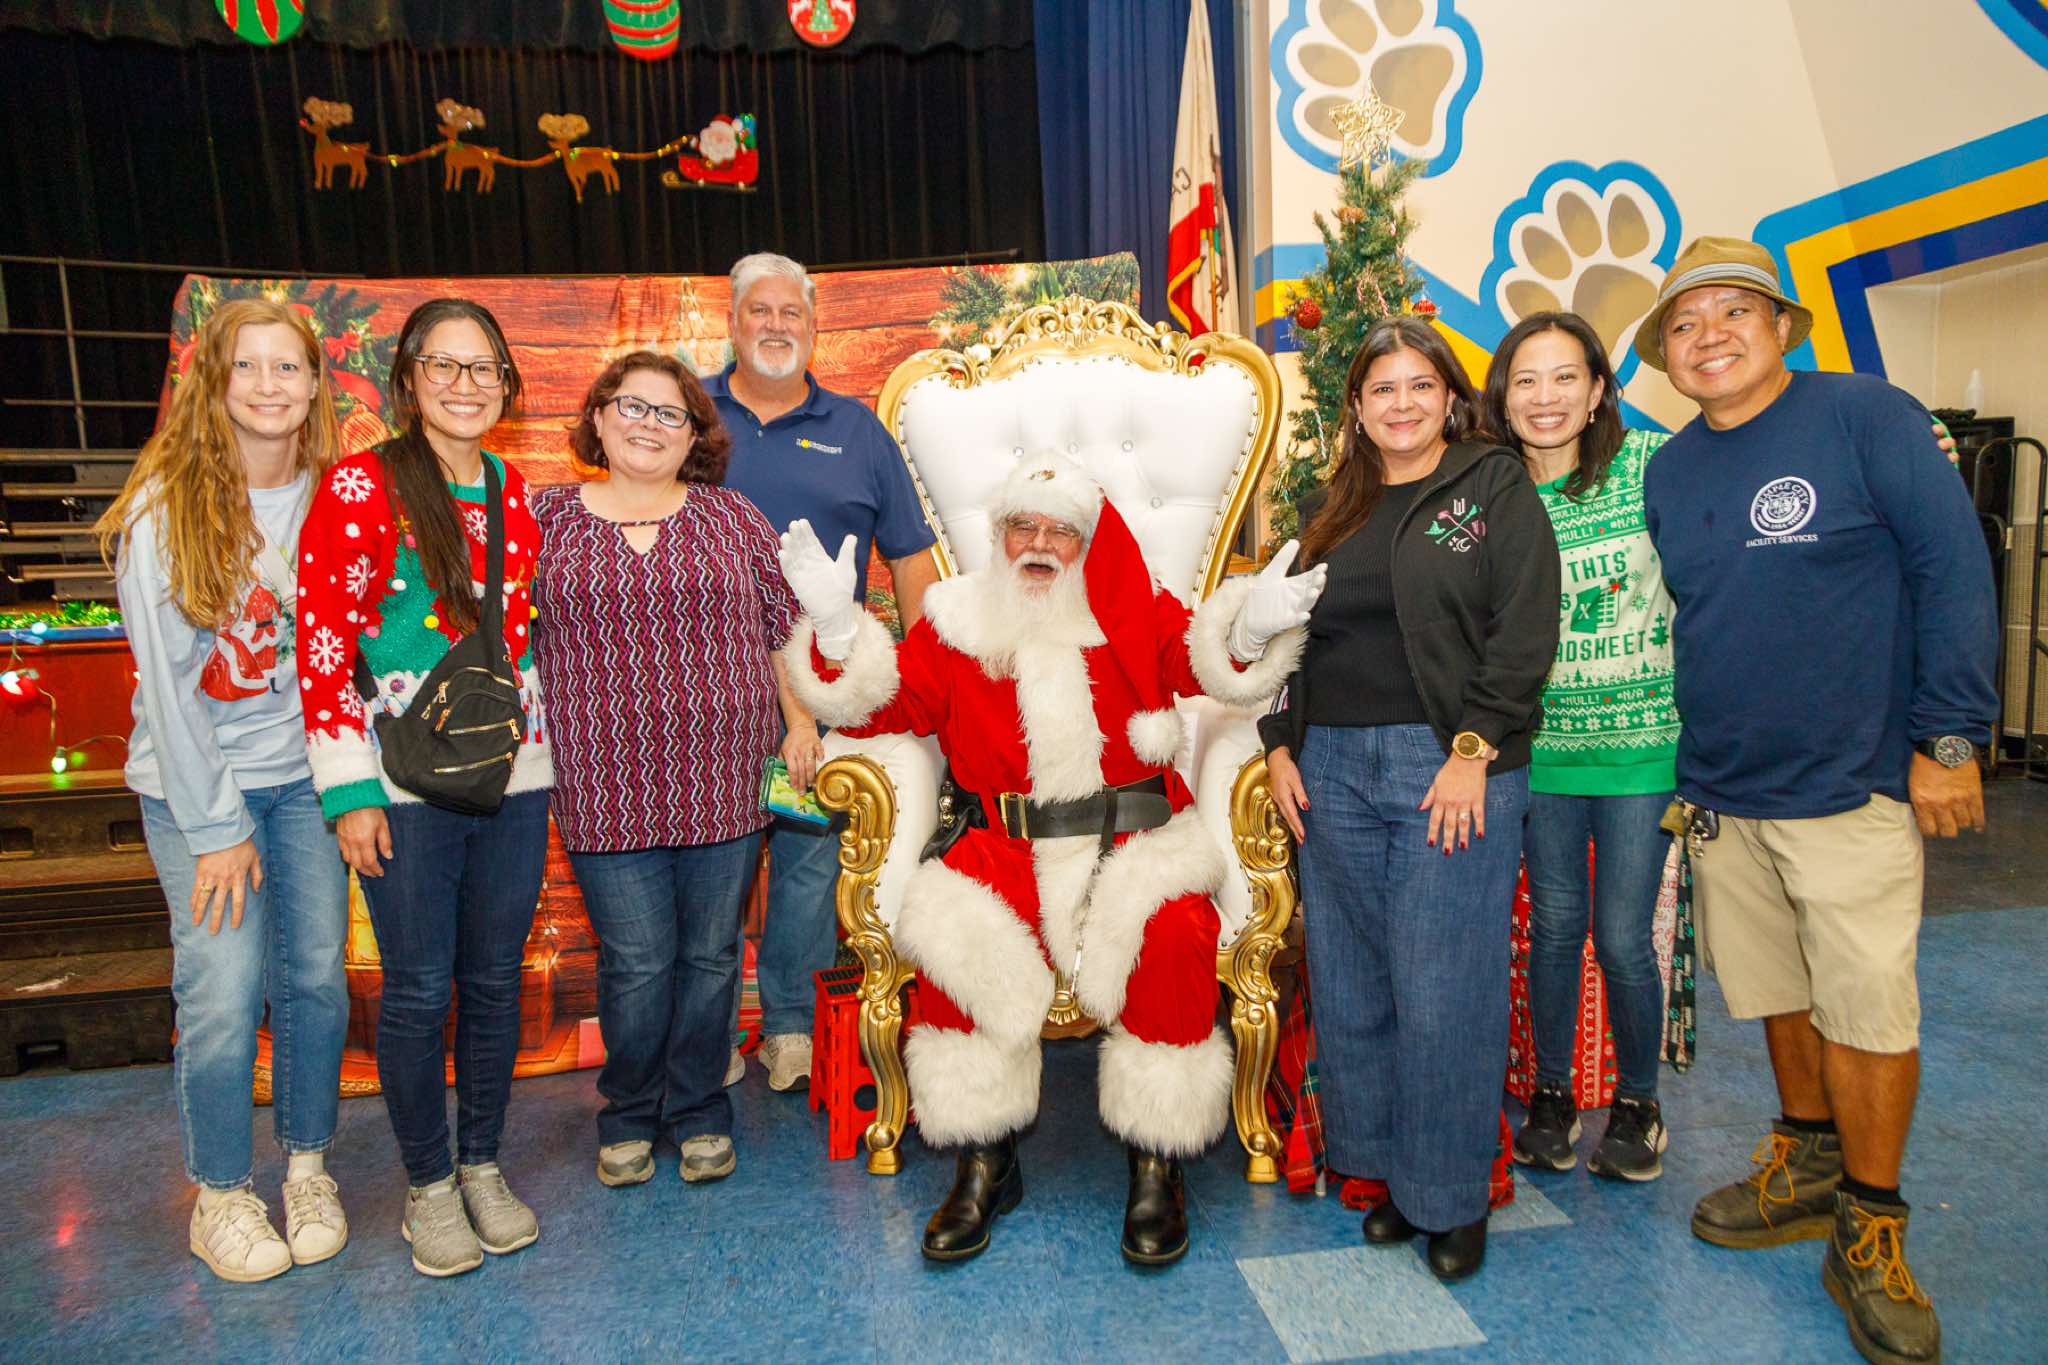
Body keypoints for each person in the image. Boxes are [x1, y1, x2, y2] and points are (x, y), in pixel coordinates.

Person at [776, 451, 1320, 1264]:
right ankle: (986, 1160)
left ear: (1087, 539)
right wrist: (837, 631)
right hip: (1004, 841)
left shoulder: (1132, 606)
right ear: (998, 535)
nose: (1037, 543)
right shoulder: (956, 620)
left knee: (1173, 931)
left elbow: (1204, 666)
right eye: (1020, 526)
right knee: (955, 929)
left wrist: (1245, 628)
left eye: (1059, 530)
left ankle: (1157, 1159)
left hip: (1134, 837)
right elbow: (885, 704)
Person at [1637, 236, 1997, 1365]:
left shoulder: (1866, 419)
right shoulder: (1669, 470)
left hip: (1850, 783)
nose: (1708, 336)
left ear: (1781, 326)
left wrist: (1948, 737)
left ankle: (1873, 1225)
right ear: (1666, 354)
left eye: (1733, 312)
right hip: (1725, 784)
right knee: (1777, 990)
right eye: (1685, 323)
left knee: (1867, 1008)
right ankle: (1804, 1161)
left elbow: (1951, 569)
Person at [1260, 315, 1561, 1282]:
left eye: (1420, 386)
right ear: (1356, 407)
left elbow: (1526, 628)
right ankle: (1390, 1172)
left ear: (1450, 397)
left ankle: (1453, 1194)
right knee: (1355, 983)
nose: (1402, 404)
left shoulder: (1493, 485)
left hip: (1449, 765)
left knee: (1443, 990)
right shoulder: (1326, 508)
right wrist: (1278, 745)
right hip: (1330, 770)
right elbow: (1279, 640)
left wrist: (1475, 748)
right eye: (1382, 388)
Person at [297, 298, 554, 1279]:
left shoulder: (512, 487)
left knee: (493, 980)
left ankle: (481, 1162)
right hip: (399, 783)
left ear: (506, 386)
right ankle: (429, 1184)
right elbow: (321, 640)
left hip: (514, 777)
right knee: (414, 988)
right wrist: (346, 789)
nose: (463, 385)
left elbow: (523, 640)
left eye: (483, 368)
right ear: (407, 379)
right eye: (442, 365)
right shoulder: (360, 486)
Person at [100, 298, 350, 1283]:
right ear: (213, 380)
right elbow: (168, 694)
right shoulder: (166, 507)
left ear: (315, 384)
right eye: (246, 365)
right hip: (198, 791)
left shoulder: (333, 496)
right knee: (223, 988)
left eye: (287, 366)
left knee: (316, 977)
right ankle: (221, 1193)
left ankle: (308, 1168)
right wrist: (215, 828)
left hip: (306, 782)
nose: (267, 385)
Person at [531, 352, 800, 1189]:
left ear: (693, 436)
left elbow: (783, 630)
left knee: (712, 955)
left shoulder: (732, 517)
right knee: (637, 960)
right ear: (598, 417)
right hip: (601, 783)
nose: (648, 425)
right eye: (631, 406)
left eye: (669, 413)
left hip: (725, 777)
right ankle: (629, 1113)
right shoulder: (544, 519)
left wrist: (801, 724)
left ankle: (699, 1109)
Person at [705, 251, 940, 1094]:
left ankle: (791, 1028)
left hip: (827, 678)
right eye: (760, 311)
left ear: (815, 326)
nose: (776, 326)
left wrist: (928, 674)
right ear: (732, 322)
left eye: (792, 313)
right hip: (711, 682)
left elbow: (910, 555)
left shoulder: (857, 429)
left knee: (809, 862)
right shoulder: (689, 414)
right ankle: (706, 1033)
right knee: (716, 865)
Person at [1481, 312, 1677, 1182]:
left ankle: (1639, 1103)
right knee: (1555, 928)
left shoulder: (1652, 466)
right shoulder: (1495, 493)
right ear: (1503, 397)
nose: (1546, 397)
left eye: (1566, 377)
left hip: (1641, 751)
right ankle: (1552, 1094)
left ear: (1599, 389)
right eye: (1526, 380)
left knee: (1622, 935)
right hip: (1541, 751)